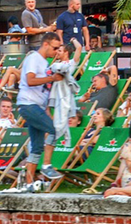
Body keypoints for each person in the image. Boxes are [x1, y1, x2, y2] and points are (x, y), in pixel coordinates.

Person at [17, 32, 65, 184]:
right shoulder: (34, 58)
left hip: (37, 105)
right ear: (46, 44)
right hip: (28, 104)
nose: (56, 51)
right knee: (54, 129)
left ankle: (29, 182)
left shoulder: (44, 63)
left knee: (37, 147)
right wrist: (52, 78)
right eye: (55, 48)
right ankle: (46, 165)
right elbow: (30, 80)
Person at [48, 38, 82, 144]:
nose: (57, 52)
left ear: (66, 52)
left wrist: (72, 39)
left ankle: (64, 142)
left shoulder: (71, 63)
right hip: (54, 92)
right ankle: (54, 139)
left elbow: (79, 48)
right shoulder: (54, 65)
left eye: (60, 50)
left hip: (65, 94)